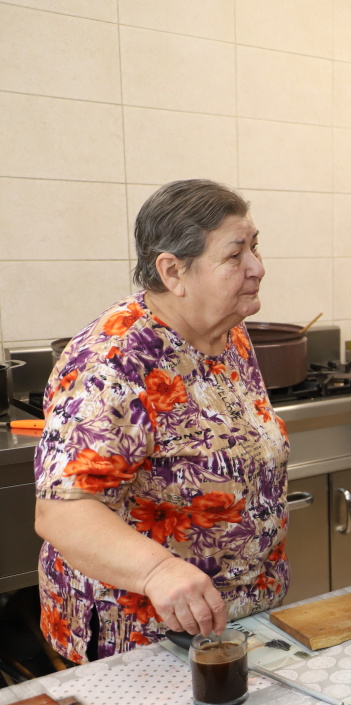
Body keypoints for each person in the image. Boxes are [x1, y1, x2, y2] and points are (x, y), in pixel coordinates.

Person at [35, 180, 289, 663]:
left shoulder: (228, 332)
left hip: (238, 620)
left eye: (254, 247)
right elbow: (63, 511)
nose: (257, 267)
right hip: (141, 637)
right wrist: (158, 571)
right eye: (235, 255)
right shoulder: (113, 361)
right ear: (173, 271)